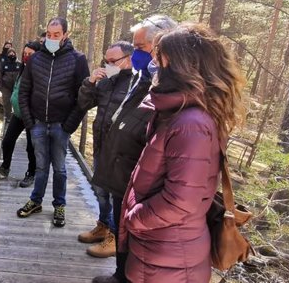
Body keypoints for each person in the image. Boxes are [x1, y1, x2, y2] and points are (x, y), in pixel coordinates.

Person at [119, 23, 245, 282]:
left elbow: (181, 200)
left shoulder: (191, 123)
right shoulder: (181, 114)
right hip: (161, 249)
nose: (154, 64)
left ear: (182, 65)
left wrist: (136, 218)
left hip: (169, 255)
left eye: (160, 58)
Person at [90, 15, 177, 283]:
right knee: (123, 232)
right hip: (121, 170)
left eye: (140, 47)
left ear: (162, 46)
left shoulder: (172, 87)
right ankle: (120, 275)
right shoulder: (145, 79)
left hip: (142, 182)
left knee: (135, 238)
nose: (136, 53)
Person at [16, 17, 89, 227]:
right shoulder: (36, 59)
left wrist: (69, 125)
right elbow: (24, 91)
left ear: (65, 35)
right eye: (49, 34)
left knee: (59, 169)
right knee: (40, 167)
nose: (52, 38)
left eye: (56, 35)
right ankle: (36, 201)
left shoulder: (77, 59)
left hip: (61, 125)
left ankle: (59, 206)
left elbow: (83, 97)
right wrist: (30, 122)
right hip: (38, 123)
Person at [75, 41, 134, 259]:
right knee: (100, 191)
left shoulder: (137, 83)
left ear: (128, 58)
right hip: (100, 145)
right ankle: (102, 226)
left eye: (113, 61)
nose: (109, 65)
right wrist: (90, 82)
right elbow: (83, 104)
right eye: (106, 61)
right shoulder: (106, 82)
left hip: (122, 152)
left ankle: (115, 238)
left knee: (118, 197)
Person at [0, 41, 43, 188]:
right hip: (18, 114)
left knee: (31, 147)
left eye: (30, 54)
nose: (26, 56)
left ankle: (31, 173)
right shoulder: (23, 68)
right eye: (25, 54)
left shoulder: (40, 71)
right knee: (7, 141)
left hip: (32, 115)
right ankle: (5, 166)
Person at [0, 47, 22, 121]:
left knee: (16, 102)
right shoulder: (3, 64)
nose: (12, 54)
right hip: (5, 87)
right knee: (7, 102)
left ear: (15, 54)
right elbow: (0, 75)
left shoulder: (19, 64)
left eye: (13, 53)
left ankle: (18, 117)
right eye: (10, 53)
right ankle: (8, 118)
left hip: (16, 87)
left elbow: (22, 75)